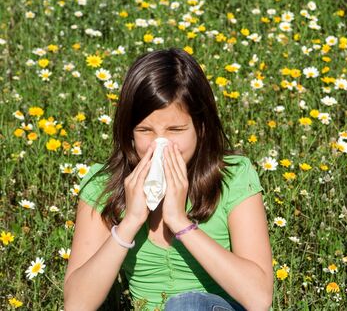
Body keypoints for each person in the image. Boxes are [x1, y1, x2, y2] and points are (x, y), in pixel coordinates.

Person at [64, 48, 274, 311]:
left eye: (175, 130)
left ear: (201, 127)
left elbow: (259, 298)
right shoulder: (103, 185)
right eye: (145, 131)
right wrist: (129, 222)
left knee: (188, 305)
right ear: (129, 132)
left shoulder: (234, 176)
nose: (160, 144)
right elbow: (76, 305)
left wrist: (180, 222)